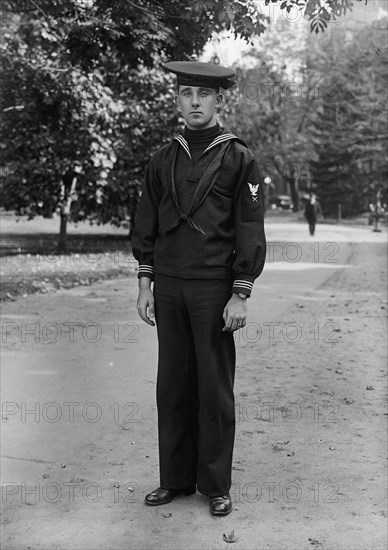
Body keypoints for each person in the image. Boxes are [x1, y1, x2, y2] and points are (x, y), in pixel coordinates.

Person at [131, 60, 266, 517]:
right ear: (177, 99)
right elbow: (146, 223)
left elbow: (249, 228)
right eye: (187, 94)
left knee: (213, 388)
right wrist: (145, 283)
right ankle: (174, 479)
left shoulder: (239, 157)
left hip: (213, 288)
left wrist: (240, 291)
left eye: (203, 95)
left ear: (216, 101)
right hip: (167, 287)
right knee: (171, 386)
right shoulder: (161, 158)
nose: (194, 103)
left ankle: (215, 484)